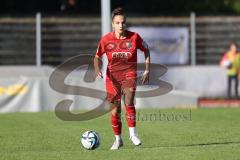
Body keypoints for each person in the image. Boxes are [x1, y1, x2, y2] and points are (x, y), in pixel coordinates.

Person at [94, 7, 151, 150]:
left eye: (123, 22)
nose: (121, 25)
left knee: (129, 100)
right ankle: (118, 140)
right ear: (113, 24)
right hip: (112, 77)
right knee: (115, 111)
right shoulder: (106, 39)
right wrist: (97, 69)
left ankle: (133, 134)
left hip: (129, 75)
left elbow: (146, 49)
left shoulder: (135, 37)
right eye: (118, 23)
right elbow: (97, 56)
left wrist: (147, 69)